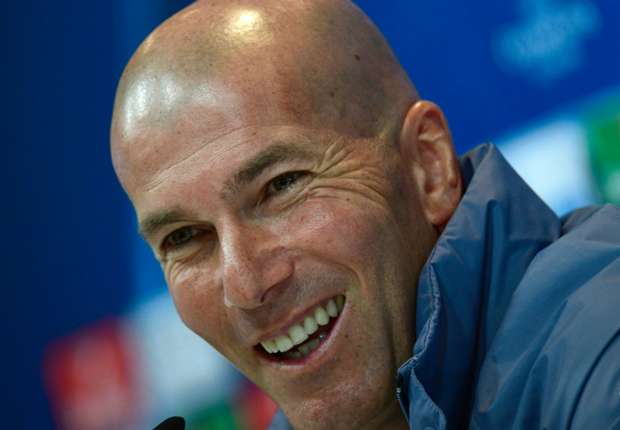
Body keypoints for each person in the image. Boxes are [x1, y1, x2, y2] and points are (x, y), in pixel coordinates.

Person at [110, 1, 620, 429]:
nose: (245, 285)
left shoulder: (601, 352)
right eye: (184, 237)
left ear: (428, 167)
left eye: (281, 186)